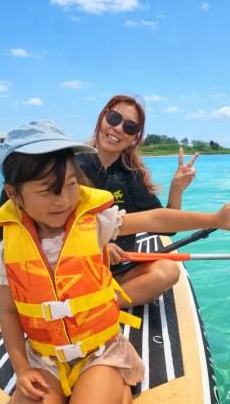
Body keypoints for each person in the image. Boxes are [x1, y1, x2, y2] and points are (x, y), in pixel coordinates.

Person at [0, 120, 230, 404]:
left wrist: (212, 220)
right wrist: (22, 369)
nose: (63, 200)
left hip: (98, 350)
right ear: (14, 194)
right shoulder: (9, 248)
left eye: (70, 185)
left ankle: (118, 382)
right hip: (44, 357)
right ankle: (80, 397)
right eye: (46, 190)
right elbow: (9, 312)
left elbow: (155, 220)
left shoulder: (95, 220)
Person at [76, 94, 200, 307]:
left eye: (130, 127)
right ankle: (91, 304)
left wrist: (176, 189)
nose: (118, 128)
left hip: (114, 272)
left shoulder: (129, 175)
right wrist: (98, 246)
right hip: (74, 271)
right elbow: (51, 228)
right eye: (114, 118)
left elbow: (166, 228)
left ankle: (95, 307)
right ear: (102, 118)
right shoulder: (69, 167)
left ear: (134, 138)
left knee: (168, 270)